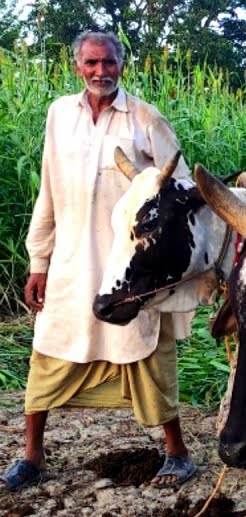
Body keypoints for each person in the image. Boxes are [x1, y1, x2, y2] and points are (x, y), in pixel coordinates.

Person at [2, 30, 198, 492]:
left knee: (146, 352)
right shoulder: (59, 116)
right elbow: (47, 191)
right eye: (91, 63)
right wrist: (38, 261)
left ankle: (177, 453)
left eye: (108, 63)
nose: (100, 72)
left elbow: (183, 188)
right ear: (77, 67)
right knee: (49, 351)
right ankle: (32, 456)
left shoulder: (146, 119)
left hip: (130, 269)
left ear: (122, 66)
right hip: (70, 263)